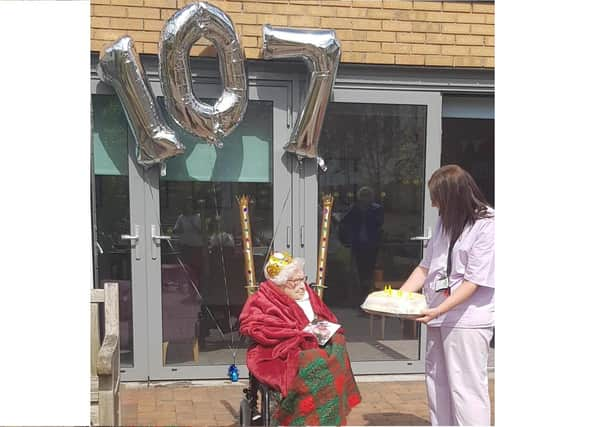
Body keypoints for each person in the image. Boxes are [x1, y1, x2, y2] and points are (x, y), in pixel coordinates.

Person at [400, 165, 494, 426]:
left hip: (467, 319)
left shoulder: (487, 225)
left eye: (437, 198)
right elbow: (426, 266)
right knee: (436, 381)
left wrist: (438, 310)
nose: (433, 204)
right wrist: (398, 299)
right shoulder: (444, 220)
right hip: (437, 314)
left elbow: (473, 282)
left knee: (466, 388)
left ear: (454, 196)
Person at [239, 252, 361, 426]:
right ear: (279, 285)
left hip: (314, 344)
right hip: (280, 352)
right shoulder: (262, 300)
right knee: (314, 361)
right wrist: (300, 334)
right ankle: (303, 418)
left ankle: (329, 414)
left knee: (338, 346)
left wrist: (324, 331)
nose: (302, 286)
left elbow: (327, 318)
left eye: (302, 279)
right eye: (295, 282)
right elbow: (257, 327)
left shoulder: (307, 294)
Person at [339, 186, 384, 302]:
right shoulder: (354, 209)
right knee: (360, 271)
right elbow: (344, 222)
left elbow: (379, 223)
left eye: (367, 196)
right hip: (358, 244)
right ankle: (362, 295)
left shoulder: (376, 209)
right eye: (363, 196)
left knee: (371, 270)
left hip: (372, 245)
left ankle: (370, 294)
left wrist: (366, 212)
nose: (365, 198)